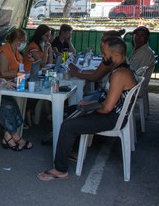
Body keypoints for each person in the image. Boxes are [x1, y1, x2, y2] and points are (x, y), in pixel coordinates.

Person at [37, 36, 137, 181]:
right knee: (72, 110)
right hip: (113, 113)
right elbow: (112, 98)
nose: (102, 56)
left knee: (68, 126)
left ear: (116, 55)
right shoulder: (122, 70)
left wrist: (90, 108)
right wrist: (91, 104)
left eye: (104, 54)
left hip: (112, 118)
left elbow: (107, 107)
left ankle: (60, 169)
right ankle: (72, 149)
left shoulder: (120, 75)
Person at [128, 26, 155, 96]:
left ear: (147, 38)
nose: (138, 38)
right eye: (136, 35)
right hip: (134, 84)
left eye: (142, 35)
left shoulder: (145, 52)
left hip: (135, 88)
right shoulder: (138, 49)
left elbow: (132, 72)